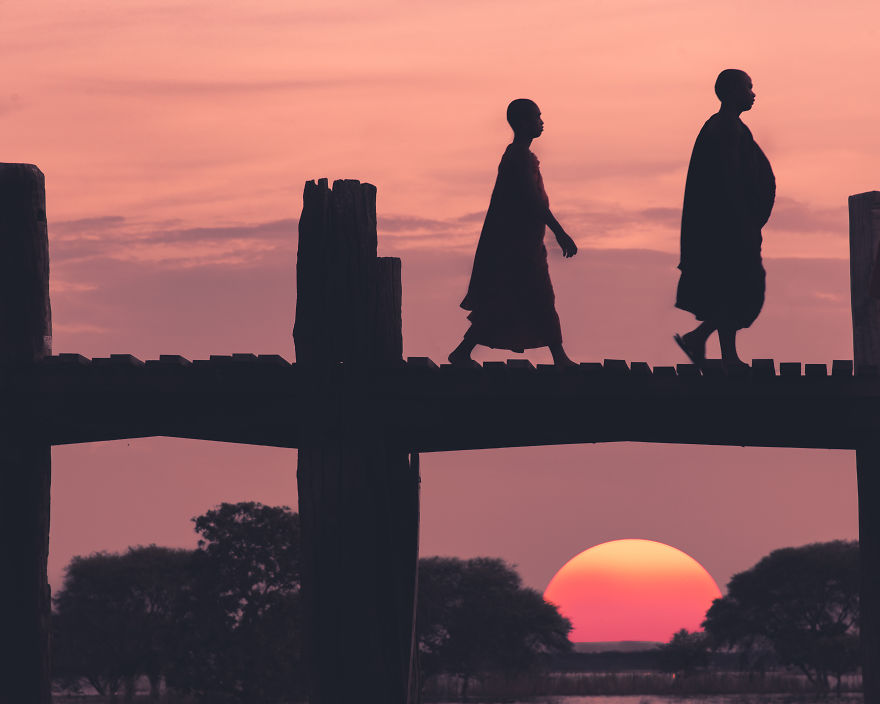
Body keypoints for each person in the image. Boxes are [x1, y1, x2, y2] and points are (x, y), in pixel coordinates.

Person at [449, 99, 578, 367]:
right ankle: (559, 357)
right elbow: (533, 201)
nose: (542, 123)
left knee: (511, 298)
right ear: (522, 123)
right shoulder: (517, 157)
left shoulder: (521, 156)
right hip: (516, 247)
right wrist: (560, 232)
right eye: (537, 118)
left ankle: (463, 351)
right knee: (536, 296)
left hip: (525, 243)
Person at [674, 69, 775, 370]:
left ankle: (724, 353)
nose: (753, 94)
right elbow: (730, 179)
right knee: (744, 286)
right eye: (748, 88)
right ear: (732, 92)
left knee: (728, 288)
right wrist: (742, 221)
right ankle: (700, 338)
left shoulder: (728, 126)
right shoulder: (725, 128)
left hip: (728, 225)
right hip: (729, 226)